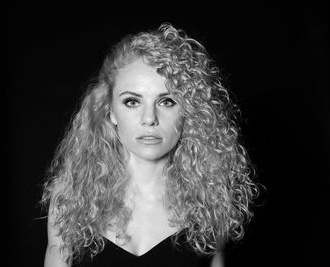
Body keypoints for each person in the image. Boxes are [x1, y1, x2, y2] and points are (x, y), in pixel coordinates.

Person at [41, 23, 258, 267]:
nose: (149, 118)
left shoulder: (209, 200)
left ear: (188, 112)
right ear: (110, 111)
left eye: (166, 101)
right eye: (132, 102)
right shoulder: (71, 197)